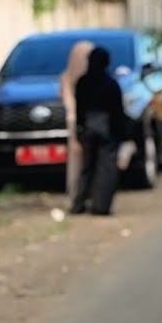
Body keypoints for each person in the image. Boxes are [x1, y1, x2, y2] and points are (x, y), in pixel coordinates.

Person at [71, 47, 127, 216]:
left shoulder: (83, 82)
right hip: (107, 129)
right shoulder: (111, 84)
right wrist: (121, 133)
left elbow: (79, 109)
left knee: (87, 167)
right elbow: (117, 111)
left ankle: (79, 203)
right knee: (106, 168)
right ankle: (101, 205)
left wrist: (79, 131)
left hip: (87, 128)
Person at [59, 41, 94, 202]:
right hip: (80, 123)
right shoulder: (70, 78)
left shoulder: (71, 77)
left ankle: (80, 195)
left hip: (80, 123)